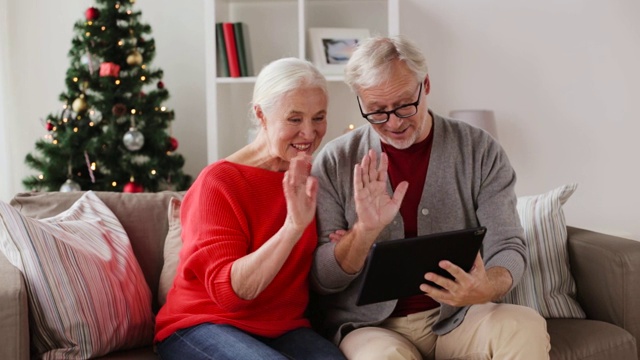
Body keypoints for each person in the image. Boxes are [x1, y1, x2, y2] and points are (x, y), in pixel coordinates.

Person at [310, 35, 550, 359]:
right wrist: (363, 232)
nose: (394, 122)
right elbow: (324, 280)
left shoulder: (478, 149)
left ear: (426, 86)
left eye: (405, 105)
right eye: (377, 112)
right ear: (359, 102)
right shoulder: (335, 160)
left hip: (460, 316)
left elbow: (508, 245)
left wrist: (487, 286)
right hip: (370, 329)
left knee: (523, 326)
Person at [154, 57, 345, 360]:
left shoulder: (311, 178)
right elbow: (230, 295)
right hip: (201, 324)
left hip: (283, 328)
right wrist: (292, 228)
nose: (309, 133)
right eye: (294, 119)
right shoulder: (218, 183)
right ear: (261, 115)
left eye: (318, 117)